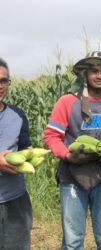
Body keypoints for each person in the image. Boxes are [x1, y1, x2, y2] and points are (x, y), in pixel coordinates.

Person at [44, 51, 101, 250]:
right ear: (85, 75)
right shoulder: (67, 102)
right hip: (72, 177)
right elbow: (51, 136)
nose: (99, 75)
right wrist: (67, 155)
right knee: (73, 241)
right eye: (94, 71)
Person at [0, 58, 33, 249]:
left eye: (4, 81)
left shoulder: (18, 115)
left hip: (16, 199)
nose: (0, 86)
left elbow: (24, 146)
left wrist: (29, 155)